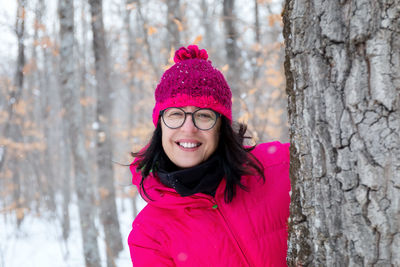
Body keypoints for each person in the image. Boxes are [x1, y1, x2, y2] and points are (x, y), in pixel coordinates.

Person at [128, 45, 290, 267]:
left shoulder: (283, 166)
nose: (188, 128)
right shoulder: (149, 235)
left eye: (203, 115)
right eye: (176, 114)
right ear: (160, 126)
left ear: (221, 126)